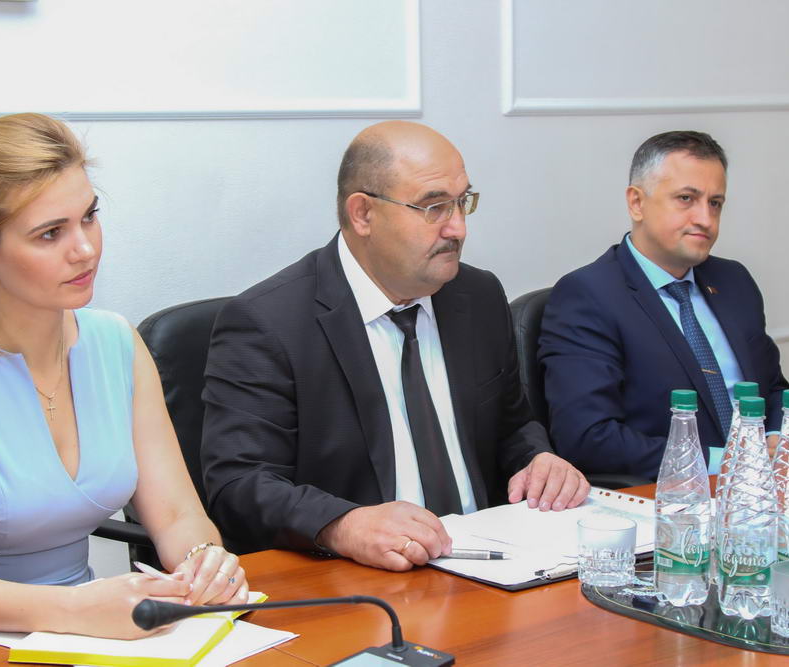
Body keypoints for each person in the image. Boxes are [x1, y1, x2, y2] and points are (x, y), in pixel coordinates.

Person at [0, 113, 247, 638]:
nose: (85, 249)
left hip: (80, 635)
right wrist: (74, 611)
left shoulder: (116, 342)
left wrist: (205, 560)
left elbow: (179, 515)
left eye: (89, 217)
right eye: (50, 233)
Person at [200, 120, 589, 572]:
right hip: (358, 579)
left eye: (462, 202)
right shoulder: (269, 323)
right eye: (434, 207)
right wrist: (342, 524)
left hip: (489, 562)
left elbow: (510, 425)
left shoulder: (477, 296)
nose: (458, 228)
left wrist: (539, 460)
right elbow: (240, 484)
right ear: (363, 214)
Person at [538, 130, 789, 481]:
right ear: (636, 203)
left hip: (761, 488)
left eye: (715, 203)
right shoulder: (588, 295)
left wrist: (777, 437)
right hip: (667, 494)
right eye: (686, 198)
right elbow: (588, 437)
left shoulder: (734, 281)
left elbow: (773, 389)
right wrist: (723, 462)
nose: (705, 219)